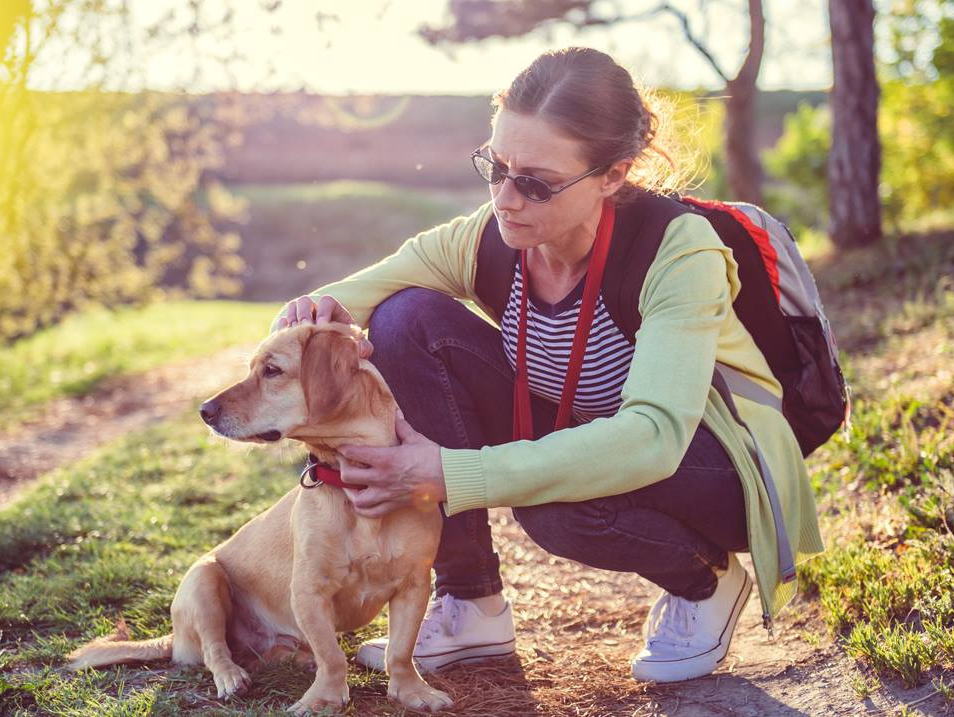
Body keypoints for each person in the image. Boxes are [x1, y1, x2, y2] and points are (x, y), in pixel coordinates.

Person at [272, 47, 823, 684]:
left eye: (535, 181)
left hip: (712, 460)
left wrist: (450, 472)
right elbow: (363, 293)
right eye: (495, 167)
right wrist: (308, 320)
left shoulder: (679, 251)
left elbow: (652, 438)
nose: (506, 199)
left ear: (613, 175)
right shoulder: (495, 234)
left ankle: (705, 579)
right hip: (593, 429)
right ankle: (471, 602)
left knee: (555, 508)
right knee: (404, 319)